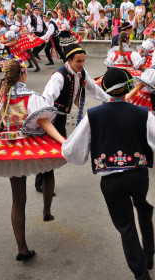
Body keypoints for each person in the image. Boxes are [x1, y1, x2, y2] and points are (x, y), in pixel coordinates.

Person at [61, 67, 155, 280]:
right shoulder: (143, 114)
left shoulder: (93, 116)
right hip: (139, 176)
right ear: (128, 88)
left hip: (112, 180)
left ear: (105, 89)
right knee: (142, 205)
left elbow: (71, 152)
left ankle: (142, 275)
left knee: (126, 227)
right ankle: (149, 254)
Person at [0, 58, 67, 261]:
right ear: (23, 74)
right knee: (44, 175)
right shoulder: (32, 97)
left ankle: (22, 248)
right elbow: (44, 123)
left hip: (7, 152)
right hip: (30, 150)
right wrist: (64, 142)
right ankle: (45, 212)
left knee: (18, 200)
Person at [34, 44, 110, 193]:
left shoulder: (81, 73)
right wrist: (46, 120)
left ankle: (42, 180)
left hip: (61, 117)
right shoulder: (59, 76)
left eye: (83, 61)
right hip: (52, 118)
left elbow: (93, 89)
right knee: (54, 149)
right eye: (78, 61)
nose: (81, 64)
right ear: (68, 60)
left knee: (57, 149)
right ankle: (41, 183)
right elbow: (48, 98)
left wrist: (109, 99)